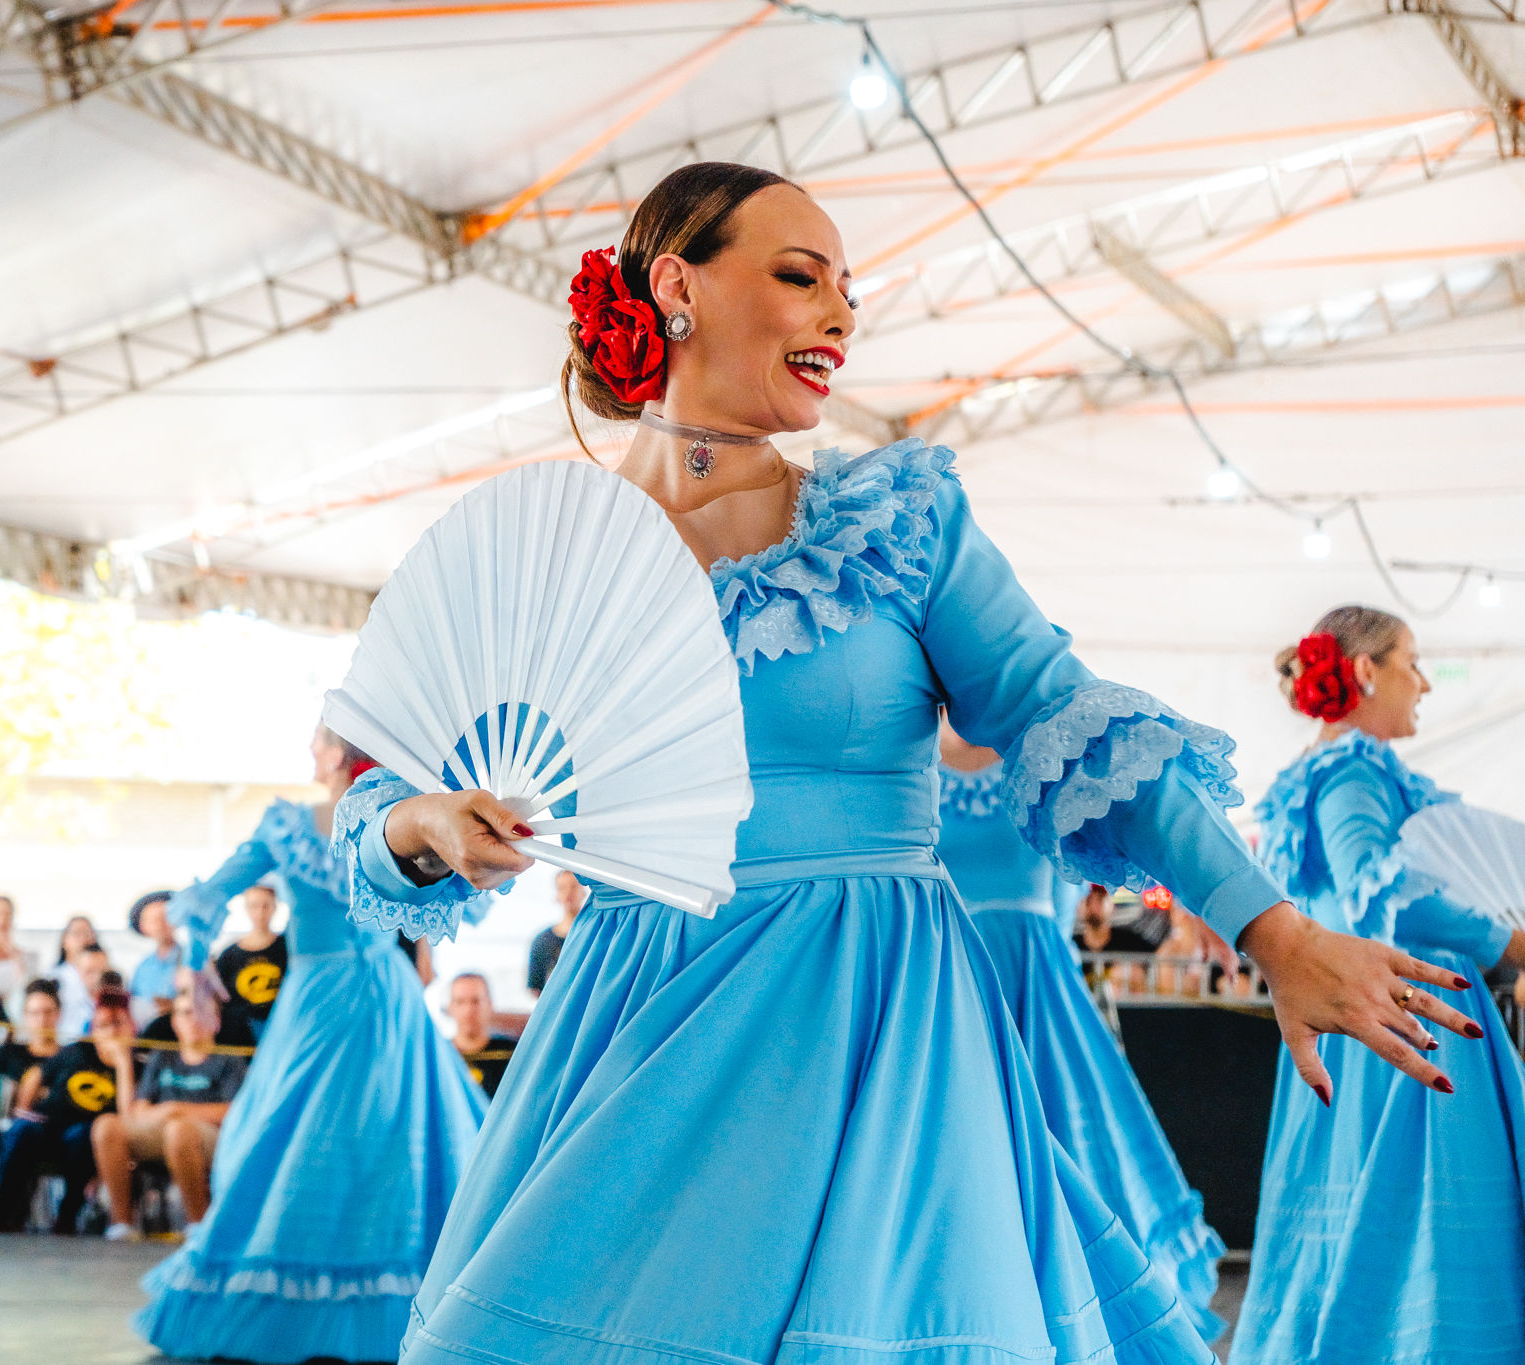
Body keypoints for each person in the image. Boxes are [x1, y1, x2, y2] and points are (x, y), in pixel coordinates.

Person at [333, 164, 1481, 1365]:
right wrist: (417, 826)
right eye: (798, 275)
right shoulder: (549, 563)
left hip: (874, 1021)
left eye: (846, 287)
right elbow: (374, 818)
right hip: (632, 1030)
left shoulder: (896, 528)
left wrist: (1276, 935)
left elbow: (1068, 726)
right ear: (674, 287)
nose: (840, 311)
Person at [135, 726, 487, 1362]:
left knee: (290, 1132)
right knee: (392, 1137)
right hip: (388, 999)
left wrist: (197, 967)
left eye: (318, 741)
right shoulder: (404, 820)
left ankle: (279, 1291)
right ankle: (418, 1297)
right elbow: (465, 897)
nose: (310, 752)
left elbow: (204, 898)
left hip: (322, 1002)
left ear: (334, 755)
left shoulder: (292, 825)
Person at [1231, 607, 1525, 1363]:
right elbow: (1378, 892)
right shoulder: (1353, 770)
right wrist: (1510, 940)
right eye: (1412, 662)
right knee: (1432, 1229)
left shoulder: (1331, 770)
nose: (1424, 683)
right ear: (1365, 671)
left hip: (1371, 1022)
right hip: (1407, 1022)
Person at [937, 718, 1226, 1341]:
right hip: (949, 987)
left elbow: (1145, 823)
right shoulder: (903, 762)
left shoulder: (1043, 759)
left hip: (1040, 992)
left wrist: (1209, 900)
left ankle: (1080, 1319)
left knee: (1071, 1149)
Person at [94, 989, 249, 1236]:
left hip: (211, 1138)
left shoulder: (230, 1061)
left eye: (201, 1012)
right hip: (160, 1131)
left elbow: (235, 1112)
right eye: (185, 1013)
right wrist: (124, 1064)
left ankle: (198, 1224)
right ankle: (121, 1224)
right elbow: (136, 1111)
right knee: (106, 1125)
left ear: (216, 1021)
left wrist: (175, 1110)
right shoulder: (161, 1058)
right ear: (174, 1022)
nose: (193, 1019)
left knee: (179, 1130)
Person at [0, 986, 140, 1235]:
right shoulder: (77, 1050)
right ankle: (1, 1215)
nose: (111, 1032)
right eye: (103, 1025)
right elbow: (37, 1073)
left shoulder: (137, 1064)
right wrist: (24, 1108)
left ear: (131, 1027)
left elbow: (127, 1114)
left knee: (80, 1137)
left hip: (88, 1132)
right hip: (49, 1122)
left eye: (117, 1024)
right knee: (22, 1130)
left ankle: (67, 1217)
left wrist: (122, 1062)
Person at [212, 882, 287, 1039]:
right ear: (246, 909)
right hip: (244, 1031)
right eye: (254, 906)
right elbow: (222, 998)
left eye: (265, 905)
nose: (260, 912)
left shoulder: (288, 948)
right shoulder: (229, 955)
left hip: (283, 1024)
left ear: (274, 907)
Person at [447, 972, 517, 1101]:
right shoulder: (438, 1055)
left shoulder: (514, 1054)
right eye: (460, 1002)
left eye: (476, 1001)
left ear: (489, 1004)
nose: (468, 1010)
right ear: (449, 1007)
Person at [0, 976, 63, 1083]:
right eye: (35, 1013)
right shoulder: (8, 1055)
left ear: (59, 1013)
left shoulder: (71, 1057)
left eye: (48, 1012)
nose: (42, 1020)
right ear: (25, 1016)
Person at [525, 870, 587, 998]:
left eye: (573, 886)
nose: (569, 893)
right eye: (562, 888)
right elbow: (536, 989)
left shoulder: (596, 936)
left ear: (583, 892)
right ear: (557, 895)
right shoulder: (542, 941)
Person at [127, 891, 178, 1030]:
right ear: (143, 927)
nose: (161, 925)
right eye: (154, 920)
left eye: (166, 917)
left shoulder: (193, 960)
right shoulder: (142, 968)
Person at [52, 916, 99, 1042]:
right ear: (64, 940)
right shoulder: (52, 977)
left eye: (88, 933)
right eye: (77, 933)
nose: (83, 939)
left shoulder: (105, 975)